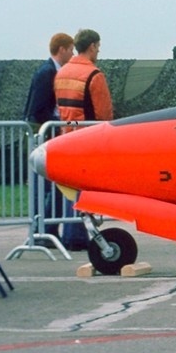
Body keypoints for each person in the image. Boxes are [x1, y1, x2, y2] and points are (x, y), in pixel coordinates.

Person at [52, 29, 110, 251]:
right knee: (86, 188)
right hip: (88, 138)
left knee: (70, 186)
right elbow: (104, 114)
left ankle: (70, 232)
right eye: (98, 46)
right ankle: (78, 235)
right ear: (92, 46)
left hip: (66, 136)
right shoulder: (94, 75)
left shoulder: (62, 73)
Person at [24, 33, 75, 249]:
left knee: (53, 187)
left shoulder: (55, 72)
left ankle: (48, 229)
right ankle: (42, 230)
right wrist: (56, 122)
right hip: (44, 135)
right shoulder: (47, 73)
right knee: (45, 186)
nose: (72, 54)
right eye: (70, 49)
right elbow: (36, 109)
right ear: (61, 49)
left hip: (49, 132)